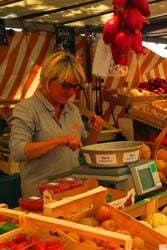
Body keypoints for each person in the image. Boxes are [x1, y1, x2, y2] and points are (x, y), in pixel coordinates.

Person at [8, 51, 104, 197]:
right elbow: (17, 150)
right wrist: (60, 141)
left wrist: (95, 131)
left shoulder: (73, 110)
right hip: (41, 197)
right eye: (66, 86)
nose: (71, 92)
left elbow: (84, 146)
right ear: (48, 80)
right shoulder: (26, 109)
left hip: (72, 191)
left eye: (76, 87)